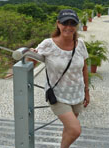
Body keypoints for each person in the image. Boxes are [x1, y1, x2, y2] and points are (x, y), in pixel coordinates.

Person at [32, 9, 90, 148]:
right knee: (75, 130)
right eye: (65, 23)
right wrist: (30, 55)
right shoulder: (48, 44)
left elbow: (84, 68)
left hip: (77, 94)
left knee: (69, 129)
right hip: (58, 96)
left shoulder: (80, 44)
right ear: (58, 24)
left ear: (76, 26)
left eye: (72, 23)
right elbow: (32, 61)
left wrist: (86, 91)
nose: (69, 27)